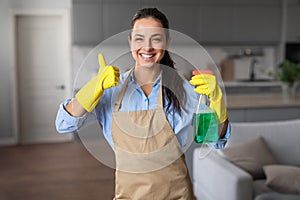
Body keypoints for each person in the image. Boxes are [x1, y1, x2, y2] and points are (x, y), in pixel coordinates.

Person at [56, 7, 230, 200]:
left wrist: (217, 102)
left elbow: (213, 139)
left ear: (167, 42)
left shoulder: (184, 90)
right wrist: (92, 89)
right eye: (139, 38)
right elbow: (64, 124)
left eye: (156, 38)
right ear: (130, 41)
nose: (147, 47)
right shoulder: (110, 90)